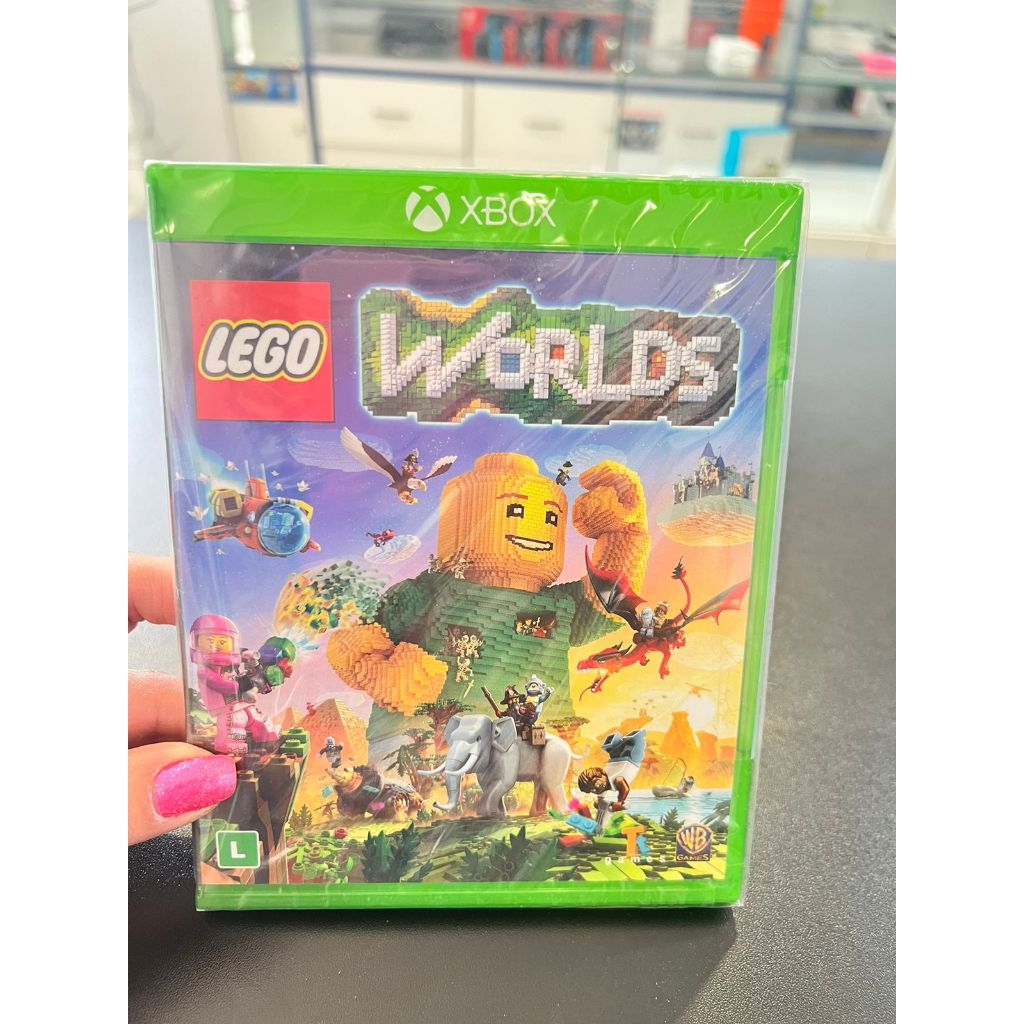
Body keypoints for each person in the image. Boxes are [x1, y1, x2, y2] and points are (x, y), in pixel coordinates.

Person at [128, 554, 237, 844]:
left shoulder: (224, 670)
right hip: (213, 711)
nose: (217, 647)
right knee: (221, 729)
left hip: (217, 710)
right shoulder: (207, 673)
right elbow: (217, 684)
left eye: (222, 643)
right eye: (211, 642)